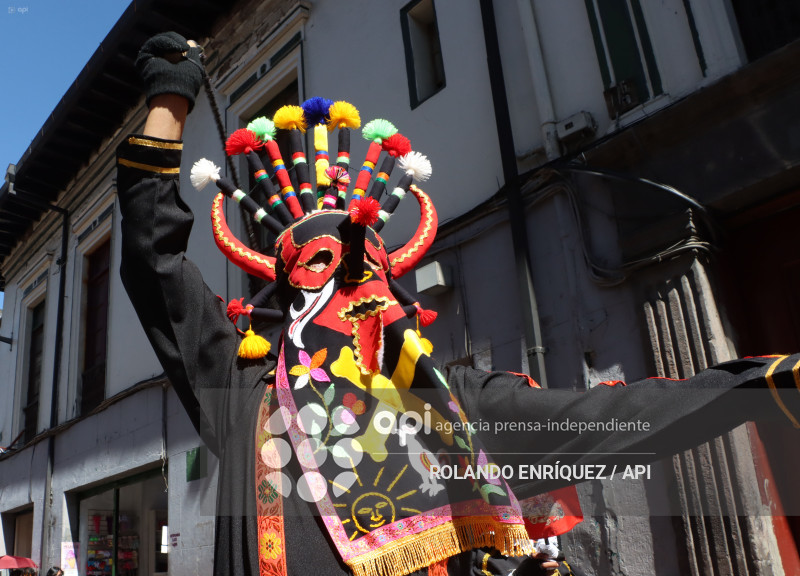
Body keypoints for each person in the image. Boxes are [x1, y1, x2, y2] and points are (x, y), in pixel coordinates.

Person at [118, 32, 800, 576]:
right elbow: (155, 268)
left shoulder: (457, 404)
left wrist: (763, 382)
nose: (356, 287)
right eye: (327, 267)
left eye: (370, 270)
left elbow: (614, 419)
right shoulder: (241, 399)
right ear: (293, 289)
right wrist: (169, 104)